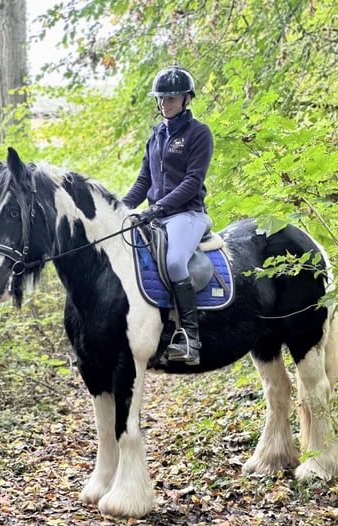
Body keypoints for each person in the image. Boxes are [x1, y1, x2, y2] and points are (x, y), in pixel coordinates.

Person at [122, 66, 214, 366]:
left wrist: (158, 207)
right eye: (161, 98)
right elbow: (142, 181)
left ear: (187, 99)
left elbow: (192, 181)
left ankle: (191, 338)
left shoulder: (199, 133)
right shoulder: (157, 136)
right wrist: (119, 207)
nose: (164, 103)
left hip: (187, 214)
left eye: (171, 98)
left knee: (175, 262)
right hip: (157, 217)